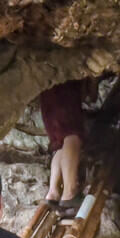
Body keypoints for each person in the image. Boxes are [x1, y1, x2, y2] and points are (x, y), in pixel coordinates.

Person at [39, 78, 91, 215]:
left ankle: (53, 192)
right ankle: (70, 192)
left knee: (60, 144)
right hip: (64, 96)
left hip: (47, 98)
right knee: (72, 135)